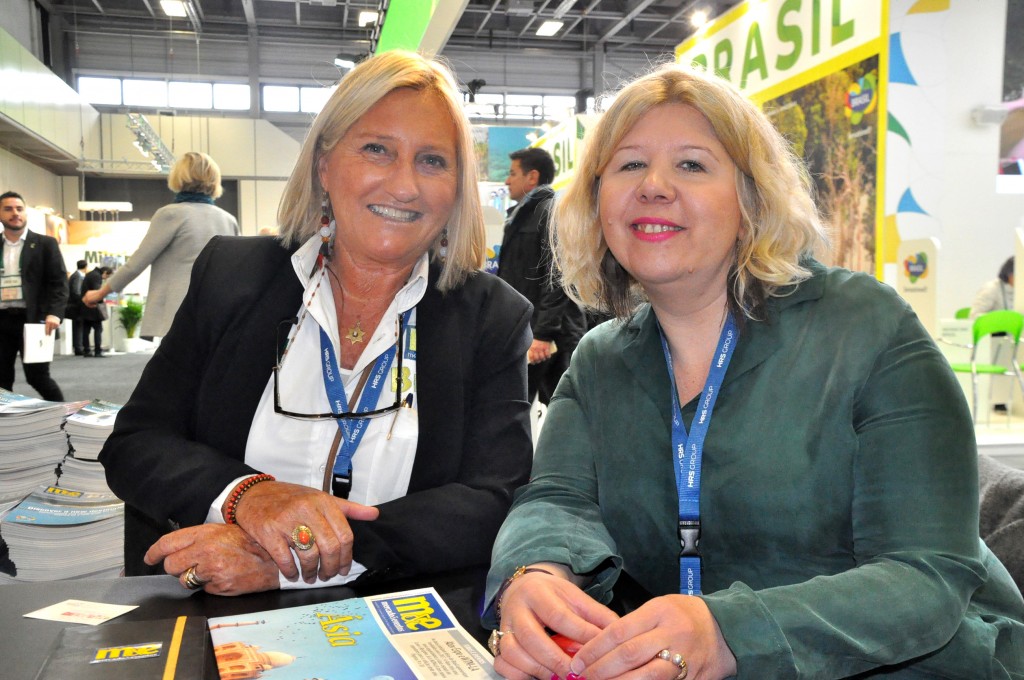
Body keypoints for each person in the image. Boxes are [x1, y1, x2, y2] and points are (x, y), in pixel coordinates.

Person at [484, 63, 1024, 679]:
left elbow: (926, 574)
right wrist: (535, 571)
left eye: (692, 164)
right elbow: (556, 499)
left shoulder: (866, 327)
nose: (654, 185)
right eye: (629, 164)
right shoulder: (600, 360)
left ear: (751, 197)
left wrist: (728, 632)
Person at [99, 50, 534, 596]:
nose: (404, 185)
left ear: (457, 189)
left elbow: (495, 496)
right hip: (215, 611)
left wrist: (297, 557)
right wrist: (248, 496)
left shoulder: (492, 315)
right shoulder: (232, 276)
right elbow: (138, 443)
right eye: (377, 149)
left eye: (432, 161)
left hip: (392, 617)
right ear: (325, 165)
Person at [82, 152, 239, 339]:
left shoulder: (171, 214)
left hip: (179, 311)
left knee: (176, 367)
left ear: (179, 176)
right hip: (216, 313)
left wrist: (100, 293)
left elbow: (137, 263)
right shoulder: (228, 220)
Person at [498, 148, 586, 406]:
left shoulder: (550, 212)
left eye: (512, 173)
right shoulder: (521, 214)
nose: (506, 180)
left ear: (532, 177)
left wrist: (543, 334)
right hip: (528, 329)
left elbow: (558, 276)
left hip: (549, 335)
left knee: (566, 409)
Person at [0, 191, 67, 401]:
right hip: (1, 321)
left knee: (38, 377)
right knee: (1, 379)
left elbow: (59, 282)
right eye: (8, 209)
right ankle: (7, 427)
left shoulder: (44, 244)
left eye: (19, 209)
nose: (15, 213)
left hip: (35, 321)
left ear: (25, 212)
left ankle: (64, 419)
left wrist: (54, 313)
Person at [80, 265, 110, 357]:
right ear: (104, 272)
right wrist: (100, 300)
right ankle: (97, 351)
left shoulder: (90, 274)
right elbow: (97, 293)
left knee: (86, 330)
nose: (106, 278)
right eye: (107, 276)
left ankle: (87, 350)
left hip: (85, 306)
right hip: (93, 307)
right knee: (98, 329)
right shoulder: (97, 276)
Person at [67, 259, 87, 356]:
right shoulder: (78, 277)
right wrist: (83, 301)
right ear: (85, 267)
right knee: (78, 327)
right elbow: (76, 291)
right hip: (76, 306)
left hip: (74, 305)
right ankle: (78, 348)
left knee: (77, 327)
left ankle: (78, 347)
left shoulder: (75, 275)